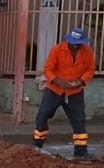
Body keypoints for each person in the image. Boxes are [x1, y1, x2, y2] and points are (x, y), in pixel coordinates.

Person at [34, 27, 96, 159]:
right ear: (68, 40)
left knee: (79, 120)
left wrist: (81, 81)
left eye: (78, 44)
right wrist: (58, 81)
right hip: (54, 90)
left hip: (75, 92)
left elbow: (90, 69)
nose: (75, 46)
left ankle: (81, 152)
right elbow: (48, 69)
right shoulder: (57, 50)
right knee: (42, 116)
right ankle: (37, 146)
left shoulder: (87, 52)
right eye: (73, 43)